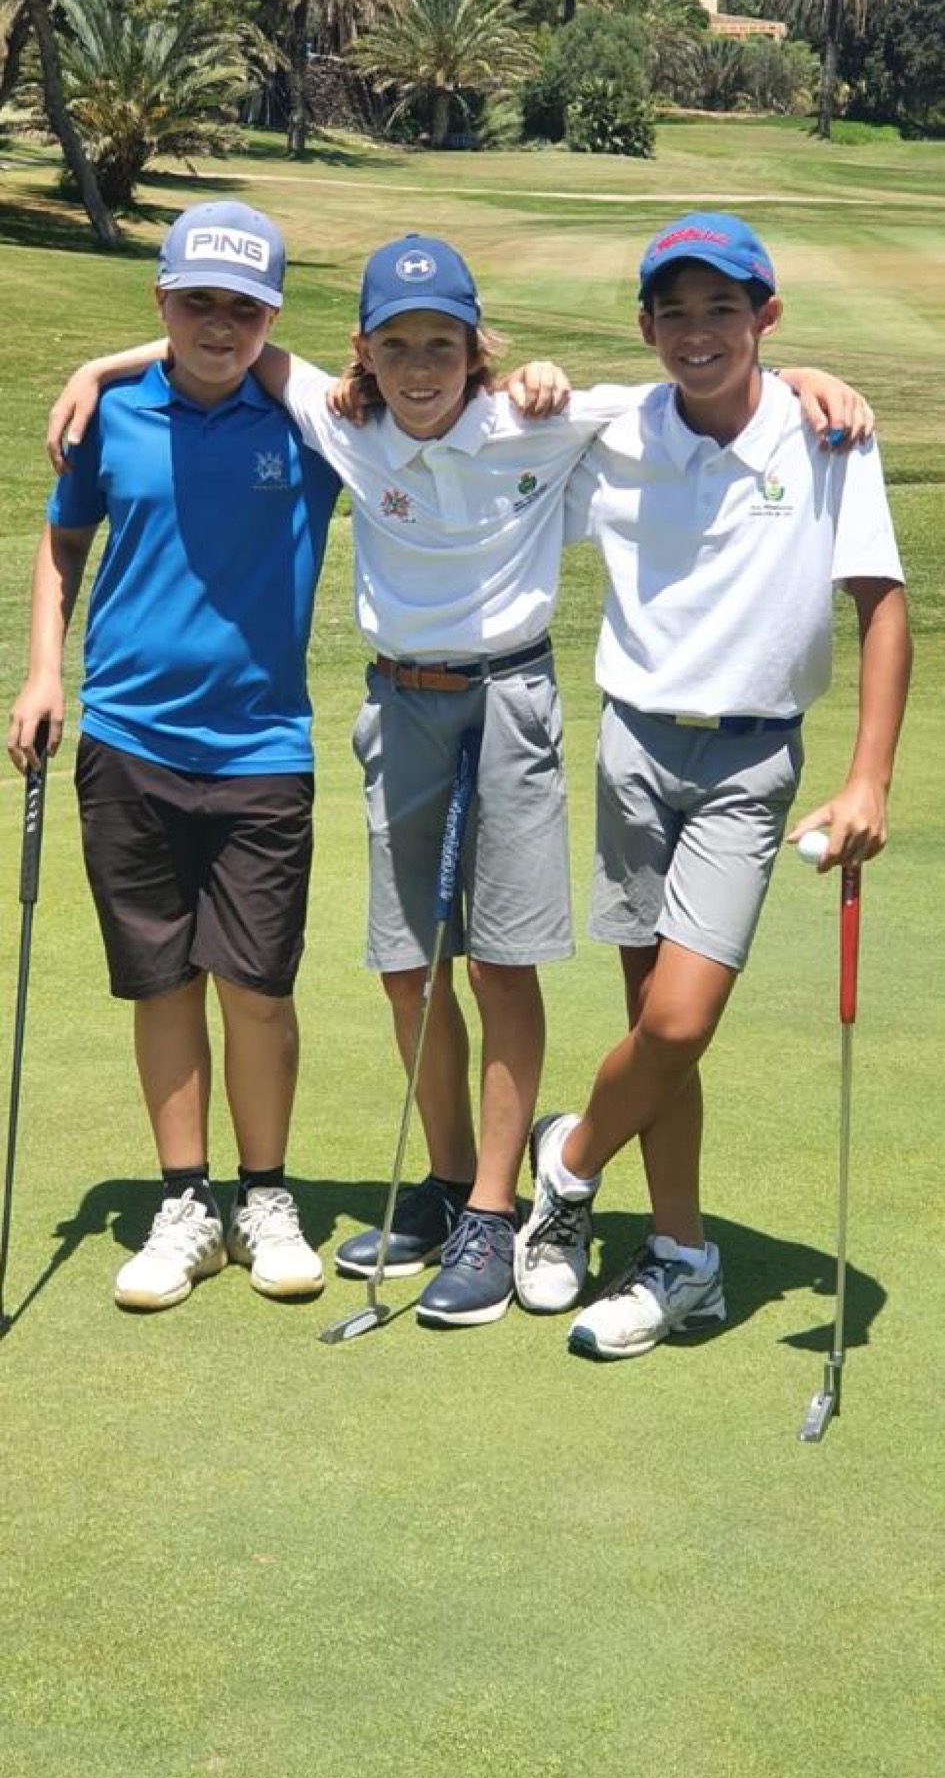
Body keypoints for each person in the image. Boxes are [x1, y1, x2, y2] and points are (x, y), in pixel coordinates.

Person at [40, 228, 871, 1332]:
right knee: (409, 971)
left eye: (443, 343)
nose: (420, 366)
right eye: (396, 345)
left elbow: (699, 385)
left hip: (511, 700)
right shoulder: (340, 419)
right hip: (399, 705)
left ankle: (493, 1208)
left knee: (501, 965)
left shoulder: (543, 417)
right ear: (362, 353)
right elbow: (227, 344)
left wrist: (803, 375)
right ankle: (442, 1184)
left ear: (479, 349)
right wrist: (102, 365)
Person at [512, 212, 912, 1360]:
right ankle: (682, 1254)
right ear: (646, 326)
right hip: (633, 746)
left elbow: (882, 605)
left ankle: (569, 1160)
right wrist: (535, 379)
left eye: (722, 309)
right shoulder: (613, 425)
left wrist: (869, 777)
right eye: (674, 312)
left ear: (764, 317)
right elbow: (463, 406)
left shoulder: (825, 434)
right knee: (656, 1027)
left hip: (749, 761)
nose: (698, 332)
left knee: (681, 1019)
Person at [7, 201, 341, 1312]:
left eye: (244, 308)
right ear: (162, 300)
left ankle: (266, 1196)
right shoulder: (111, 418)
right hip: (128, 741)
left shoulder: (308, 423)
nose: (219, 325)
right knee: (163, 982)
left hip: (262, 748)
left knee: (257, 985)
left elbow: (414, 385)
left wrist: (106, 353)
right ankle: (186, 1200)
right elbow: (64, 542)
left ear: (273, 318)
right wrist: (43, 673)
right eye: (197, 302)